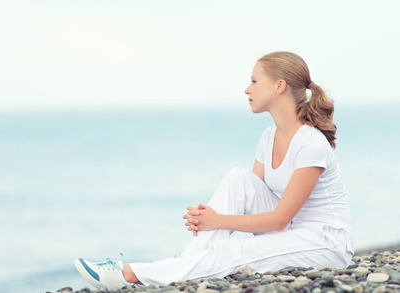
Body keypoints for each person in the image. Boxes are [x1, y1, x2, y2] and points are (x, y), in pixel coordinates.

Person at [73, 51, 354, 290]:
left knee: (230, 251)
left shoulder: (311, 143)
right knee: (237, 177)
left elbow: (279, 220)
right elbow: (247, 197)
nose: (247, 89)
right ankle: (186, 264)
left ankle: (131, 274)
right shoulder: (269, 137)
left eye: (255, 81)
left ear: (279, 86)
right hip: (292, 231)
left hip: (325, 242)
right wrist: (209, 219)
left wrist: (217, 220)